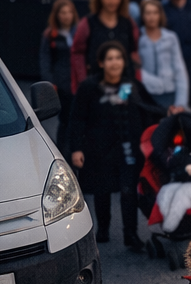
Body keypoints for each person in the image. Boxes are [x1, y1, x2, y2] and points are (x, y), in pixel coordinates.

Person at [68, 42, 163, 247]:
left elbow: (150, 109)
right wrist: (76, 148)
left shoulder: (130, 86)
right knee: (102, 190)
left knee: (129, 190)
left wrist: (169, 115)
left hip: (128, 148)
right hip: (98, 149)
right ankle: (103, 228)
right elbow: (77, 119)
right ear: (101, 62)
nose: (115, 63)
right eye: (110, 58)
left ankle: (131, 234)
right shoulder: (89, 87)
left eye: (118, 58)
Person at [70, 0, 140, 89]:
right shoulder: (88, 23)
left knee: (123, 106)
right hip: (96, 84)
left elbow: (134, 53)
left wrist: (136, 81)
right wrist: (83, 80)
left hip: (124, 84)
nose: (113, 1)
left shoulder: (128, 23)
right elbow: (77, 53)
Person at [38, 0, 80, 154]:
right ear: (57, 15)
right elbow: (45, 59)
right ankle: (63, 151)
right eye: (63, 13)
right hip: (61, 83)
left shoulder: (80, 32)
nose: (67, 16)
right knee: (65, 120)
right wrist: (50, 82)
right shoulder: (50, 35)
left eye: (69, 12)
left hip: (78, 82)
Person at [137, 0, 189, 112]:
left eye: (155, 13)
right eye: (148, 13)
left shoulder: (170, 37)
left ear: (160, 15)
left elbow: (179, 68)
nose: (152, 17)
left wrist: (181, 102)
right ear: (142, 15)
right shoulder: (138, 38)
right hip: (146, 93)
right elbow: (136, 67)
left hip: (169, 92)